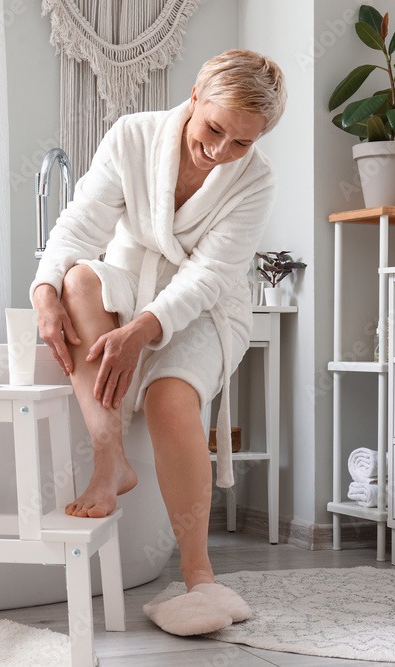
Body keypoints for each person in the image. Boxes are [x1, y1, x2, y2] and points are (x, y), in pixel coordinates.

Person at [30, 49, 286, 636]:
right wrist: (44, 291)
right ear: (194, 96)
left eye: (241, 143)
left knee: (172, 398)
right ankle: (109, 456)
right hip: (133, 275)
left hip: (208, 307)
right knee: (76, 279)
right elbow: (79, 225)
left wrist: (143, 329)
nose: (221, 151)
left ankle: (200, 576)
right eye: (215, 129)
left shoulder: (257, 180)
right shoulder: (133, 137)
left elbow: (208, 276)